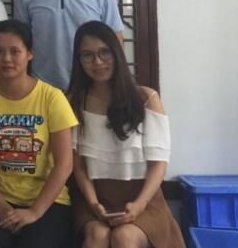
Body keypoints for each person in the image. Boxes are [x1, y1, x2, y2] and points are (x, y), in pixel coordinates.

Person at [68, 21, 184, 248]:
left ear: (117, 53)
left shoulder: (147, 99)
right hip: (93, 197)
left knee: (125, 237)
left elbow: (158, 163)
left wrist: (139, 205)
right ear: (78, 60)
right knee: (97, 236)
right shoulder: (73, 102)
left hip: (144, 198)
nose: (97, 62)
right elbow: (78, 166)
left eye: (104, 52)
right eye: (87, 55)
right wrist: (93, 203)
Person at [0, 19, 79, 248]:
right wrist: (0, 206)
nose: (6, 59)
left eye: (15, 51)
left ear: (30, 54)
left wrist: (34, 211)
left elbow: (64, 164)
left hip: (48, 201)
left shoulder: (52, 98)